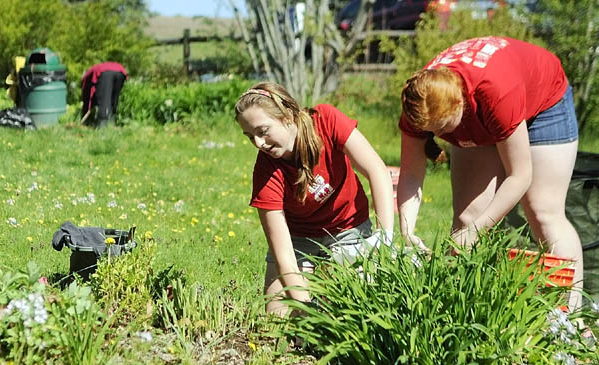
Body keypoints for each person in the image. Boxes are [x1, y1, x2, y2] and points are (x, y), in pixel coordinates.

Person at [396, 36, 583, 310]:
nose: (439, 136)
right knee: (466, 217)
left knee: (542, 211)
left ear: (459, 105)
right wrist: (407, 230)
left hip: (543, 102)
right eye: (432, 131)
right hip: (485, 111)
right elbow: (411, 174)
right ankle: (460, 313)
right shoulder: (419, 104)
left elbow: (520, 175)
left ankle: (571, 319)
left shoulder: (492, 92)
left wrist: (478, 229)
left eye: (445, 129)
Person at [235, 82, 395, 316]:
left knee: (347, 308)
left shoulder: (326, 121)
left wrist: (385, 237)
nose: (259, 144)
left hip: (347, 229)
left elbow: (377, 171)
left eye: (263, 131)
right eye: (250, 137)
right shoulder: (266, 171)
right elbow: (285, 258)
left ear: (287, 116)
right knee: (277, 318)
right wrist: (307, 310)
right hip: (299, 239)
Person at [81, 62, 127, 127]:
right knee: (114, 100)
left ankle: (102, 125)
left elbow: (87, 96)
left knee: (104, 100)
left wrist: (85, 110)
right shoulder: (95, 68)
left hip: (106, 73)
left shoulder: (86, 77)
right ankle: (112, 121)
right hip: (120, 73)